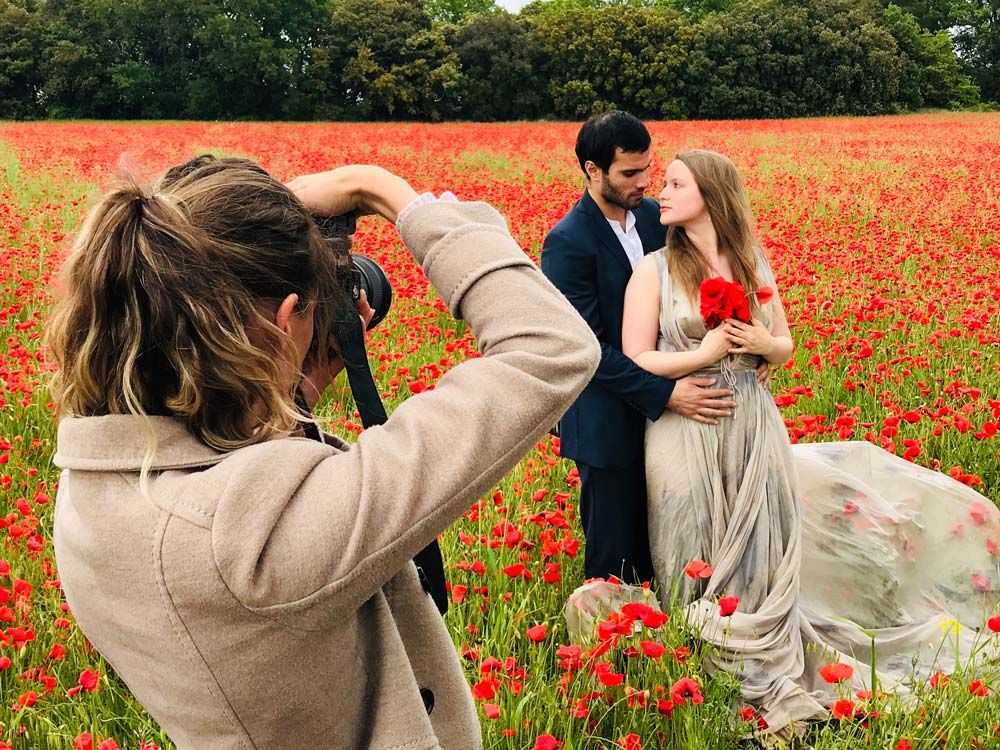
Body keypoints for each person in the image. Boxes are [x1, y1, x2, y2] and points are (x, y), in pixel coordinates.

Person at [48, 156, 600, 750]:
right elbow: (550, 347)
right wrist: (389, 193)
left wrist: (290, 384)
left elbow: (218, 490)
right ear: (284, 320)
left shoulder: (90, 488)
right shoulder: (251, 539)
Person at [585, 148, 1000, 737]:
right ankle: (708, 682)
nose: (662, 194)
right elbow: (635, 355)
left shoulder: (751, 260)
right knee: (692, 549)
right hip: (684, 427)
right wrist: (702, 356)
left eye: (676, 184)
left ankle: (770, 675)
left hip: (754, 424)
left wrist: (759, 339)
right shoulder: (652, 269)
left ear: (710, 192)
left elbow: (784, 346)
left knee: (764, 549)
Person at [542, 112, 765, 584]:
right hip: (610, 421)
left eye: (648, 168)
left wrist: (748, 350)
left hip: (679, 424)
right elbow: (587, 348)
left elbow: (704, 281)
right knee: (618, 558)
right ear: (591, 170)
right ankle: (615, 651)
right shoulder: (567, 243)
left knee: (675, 543)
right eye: (629, 173)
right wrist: (666, 394)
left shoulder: (655, 218)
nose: (645, 182)